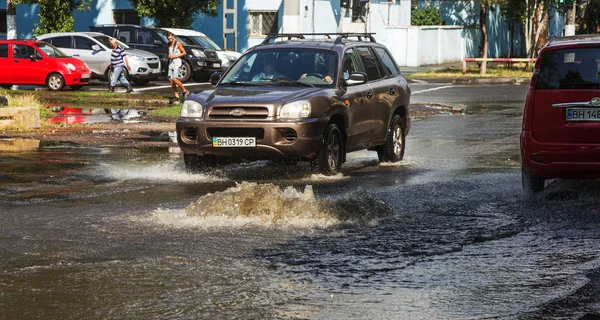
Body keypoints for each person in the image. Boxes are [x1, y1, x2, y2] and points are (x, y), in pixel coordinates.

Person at [167, 32, 189, 104]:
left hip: (177, 62)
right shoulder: (168, 44)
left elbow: (184, 52)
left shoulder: (178, 43)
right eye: (168, 38)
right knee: (171, 80)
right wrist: (169, 56)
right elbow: (169, 52)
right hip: (171, 63)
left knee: (174, 78)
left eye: (170, 38)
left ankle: (184, 91)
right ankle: (176, 96)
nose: (169, 39)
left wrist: (175, 56)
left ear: (173, 36)